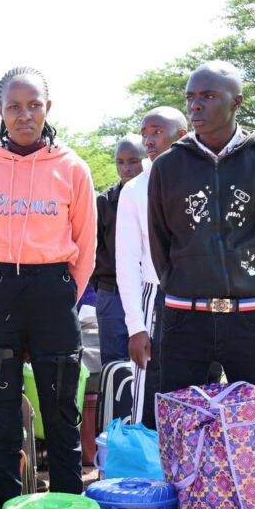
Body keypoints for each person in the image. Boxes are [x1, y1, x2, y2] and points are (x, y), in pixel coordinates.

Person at [0, 67, 96, 509]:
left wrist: (59, 295)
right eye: (14, 106)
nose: (24, 115)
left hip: (54, 294)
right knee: (0, 419)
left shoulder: (72, 168)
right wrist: (1, 288)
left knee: (61, 417)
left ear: (48, 109)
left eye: (34, 105)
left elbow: (86, 247)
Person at [149, 61, 255, 396]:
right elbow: (159, 239)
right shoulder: (169, 166)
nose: (195, 105)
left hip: (248, 319)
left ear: (236, 101)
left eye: (208, 95)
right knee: (183, 425)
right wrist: (180, 283)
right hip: (184, 319)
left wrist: (253, 283)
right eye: (190, 97)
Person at [116, 108, 188, 428]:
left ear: (182, 135)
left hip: (199, 300)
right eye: (145, 132)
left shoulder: (204, 180)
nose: (148, 140)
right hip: (155, 297)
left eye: (156, 131)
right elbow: (128, 261)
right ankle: (149, 474)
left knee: (196, 393)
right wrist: (136, 326)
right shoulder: (135, 190)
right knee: (149, 397)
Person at [92, 135, 146, 364]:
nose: (126, 168)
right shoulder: (103, 202)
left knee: (151, 361)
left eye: (133, 161)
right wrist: (103, 287)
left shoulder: (158, 196)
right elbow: (94, 250)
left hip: (149, 291)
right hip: (112, 294)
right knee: (115, 364)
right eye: (120, 162)